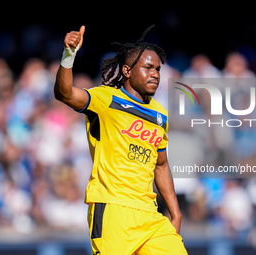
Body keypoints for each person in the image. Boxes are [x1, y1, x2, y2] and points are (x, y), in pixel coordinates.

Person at [54, 25, 188, 255]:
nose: (155, 74)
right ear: (127, 71)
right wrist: (69, 55)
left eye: (158, 69)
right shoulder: (105, 99)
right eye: (148, 67)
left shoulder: (159, 114)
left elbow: (161, 164)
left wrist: (175, 212)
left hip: (150, 215)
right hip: (112, 209)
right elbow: (64, 93)